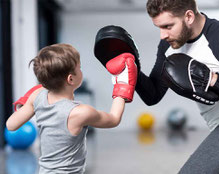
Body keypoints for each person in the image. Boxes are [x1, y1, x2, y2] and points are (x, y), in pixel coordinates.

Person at [134, 0, 219, 173]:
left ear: (189, 16)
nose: (163, 35)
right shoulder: (169, 44)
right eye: (159, 28)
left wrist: (213, 80)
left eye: (168, 26)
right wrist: (131, 69)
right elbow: (152, 95)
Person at [6, 43, 137, 173]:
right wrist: (122, 84)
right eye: (79, 67)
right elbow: (113, 119)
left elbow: (11, 125)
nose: (81, 70)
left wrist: (29, 102)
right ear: (71, 79)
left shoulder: (37, 96)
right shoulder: (80, 112)